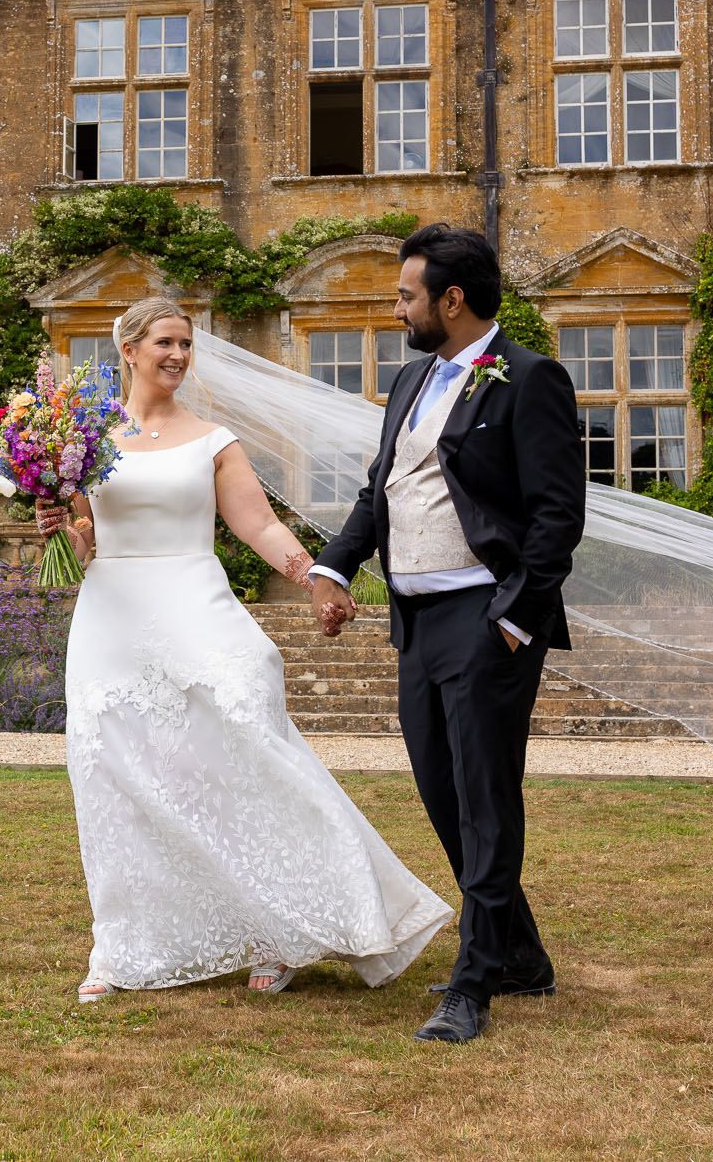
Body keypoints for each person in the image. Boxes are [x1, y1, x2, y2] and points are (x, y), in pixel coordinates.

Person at [39, 296, 453, 1003]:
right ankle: (122, 946)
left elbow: (258, 524)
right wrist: (57, 525)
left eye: (186, 344)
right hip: (112, 619)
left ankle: (278, 930)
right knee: (115, 781)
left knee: (243, 758)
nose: (177, 355)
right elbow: (86, 543)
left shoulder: (212, 437)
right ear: (130, 349)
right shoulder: (81, 436)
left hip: (197, 606)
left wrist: (314, 577)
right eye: (164, 342)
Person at [307, 224, 586, 1044]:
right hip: (416, 619)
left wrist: (512, 620)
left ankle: (473, 984)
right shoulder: (410, 380)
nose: (396, 307)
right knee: (441, 790)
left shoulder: (529, 379)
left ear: (451, 300)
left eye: (405, 295)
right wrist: (335, 564)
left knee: (486, 798)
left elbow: (557, 517)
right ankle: (521, 955)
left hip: (484, 618)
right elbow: (381, 490)